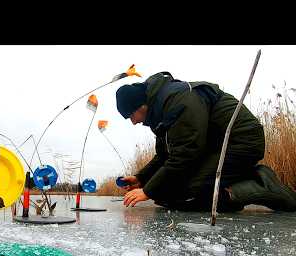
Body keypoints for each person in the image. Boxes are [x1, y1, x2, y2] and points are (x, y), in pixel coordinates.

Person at [116, 71, 296, 212]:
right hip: (214, 148)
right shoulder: (159, 114)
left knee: (190, 193)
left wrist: (147, 191)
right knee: (166, 195)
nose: (133, 122)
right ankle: (236, 183)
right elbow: (165, 155)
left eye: (131, 116)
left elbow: (186, 153)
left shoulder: (178, 101)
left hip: (240, 142)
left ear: (141, 105)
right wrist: (141, 179)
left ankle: (261, 184)